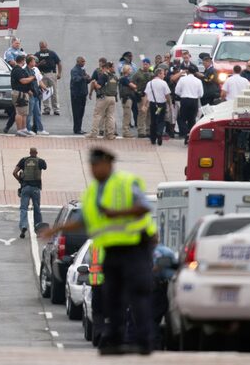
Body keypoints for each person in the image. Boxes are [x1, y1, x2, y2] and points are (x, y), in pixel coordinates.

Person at [40, 149, 156, 355]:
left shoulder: (126, 182)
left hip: (135, 247)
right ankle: (116, 341)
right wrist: (56, 229)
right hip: (110, 250)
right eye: (91, 166)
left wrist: (116, 214)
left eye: (97, 165)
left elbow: (144, 207)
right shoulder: (93, 191)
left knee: (138, 294)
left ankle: (144, 341)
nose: (93, 170)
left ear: (109, 164)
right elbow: (83, 221)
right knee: (113, 297)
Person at [13, 147, 46, 239]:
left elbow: (14, 172)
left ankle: (23, 226)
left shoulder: (23, 160)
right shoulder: (41, 161)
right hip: (36, 188)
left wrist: (20, 181)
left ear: (29, 152)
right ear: (36, 152)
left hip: (25, 188)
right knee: (37, 209)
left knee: (23, 209)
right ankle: (39, 230)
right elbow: (45, 167)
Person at [87, 62, 118, 140]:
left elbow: (99, 86)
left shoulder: (104, 76)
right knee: (110, 116)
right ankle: (110, 134)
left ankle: (93, 133)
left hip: (104, 97)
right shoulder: (114, 77)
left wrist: (94, 83)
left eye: (102, 68)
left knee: (97, 114)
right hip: (112, 98)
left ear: (106, 68)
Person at [175, 65, 203, 145]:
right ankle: (190, 135)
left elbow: (177, 91)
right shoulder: (198, 81)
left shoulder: (182, 79)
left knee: (181, 118)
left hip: (185, 100)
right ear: (195, 72)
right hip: (194, 101)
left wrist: (183, 94)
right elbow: (201, 94)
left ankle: (186, 132)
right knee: (192, 119)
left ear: (188, 71)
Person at [10, 55, 37, 137]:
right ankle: (19, 130)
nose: (25, 61)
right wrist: (32, 78)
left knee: (24, 112)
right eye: (24, 60)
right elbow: (23, 81)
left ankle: (24, 129)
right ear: (22, 61)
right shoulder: (17, 70)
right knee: (19, 112)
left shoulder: (20, 70)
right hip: (19, 94)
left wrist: (28, 90)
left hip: (24, 93)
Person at [146, 68, 172, 146]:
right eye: (163, 74)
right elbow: (167, 95)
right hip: (161, 105)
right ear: (159, 74)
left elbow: (146, 95)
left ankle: (153, 138)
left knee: (153, 120)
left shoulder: (149, 83)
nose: (164, 75)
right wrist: (170, 104)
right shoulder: (163, 83)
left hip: (153, 104)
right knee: (161, 120)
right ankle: (159, 132)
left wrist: (145, 105)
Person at [36, 41, 62, 115]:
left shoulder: (52, 53)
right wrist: (39, 64)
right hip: (42, 74)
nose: (43, 48)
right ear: (39, 47)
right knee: (44, 91)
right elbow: (33, 65)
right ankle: (46, 108)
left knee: (54, 92)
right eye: (41, 47)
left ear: (47, 46)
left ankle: (56, 109)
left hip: (51, 74)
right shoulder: (37, 54)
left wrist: (59, 73)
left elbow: (59, 63)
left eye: (44, 47)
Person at [25, 55, 48, 135]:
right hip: (30, 94)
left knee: (37, 112)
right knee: (29, 113)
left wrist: (45, 88)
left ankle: (40, 129)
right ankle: (27, 129)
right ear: (30, 62)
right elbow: (24, 82)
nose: (35, 62)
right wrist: (28, 90)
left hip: (36, 94)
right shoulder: (25, 70)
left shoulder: (36, 69)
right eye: (34, 61)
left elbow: (39, 81)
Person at [132, 59, 153, 138]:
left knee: (149, 114)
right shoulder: (137, 74)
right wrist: (137, 91)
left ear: (149, 65)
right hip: (141, 95)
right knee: (141, 113)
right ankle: (141, 131)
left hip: (149, 96)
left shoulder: (151, 74)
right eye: (144, 64)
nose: (145, 65)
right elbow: (132, 83)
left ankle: (148, 130)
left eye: (147, 64)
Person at [70, 56, 91, 135]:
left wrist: (89, 78)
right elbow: (76, 79)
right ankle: (76, 129)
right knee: (76, 112)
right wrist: (83, 77)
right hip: (76, 95)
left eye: (84, 61)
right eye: (82, 61)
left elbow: (85, 81)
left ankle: (79, 128)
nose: (84, 63)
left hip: (82, 94)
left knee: (81, 112)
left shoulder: (83, 70)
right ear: (78, 62)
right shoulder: (74, 70)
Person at [119, 65, 137, 138]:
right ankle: (125, 131)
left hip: (128, 98)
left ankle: (126, 131)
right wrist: (135, 86)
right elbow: (133, 86)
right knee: (127, 115)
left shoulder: (126, 78)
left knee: (127, 115)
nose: (131, 71)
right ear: (127, 70)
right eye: (130, 69)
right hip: (126, 99)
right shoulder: (124, 79)